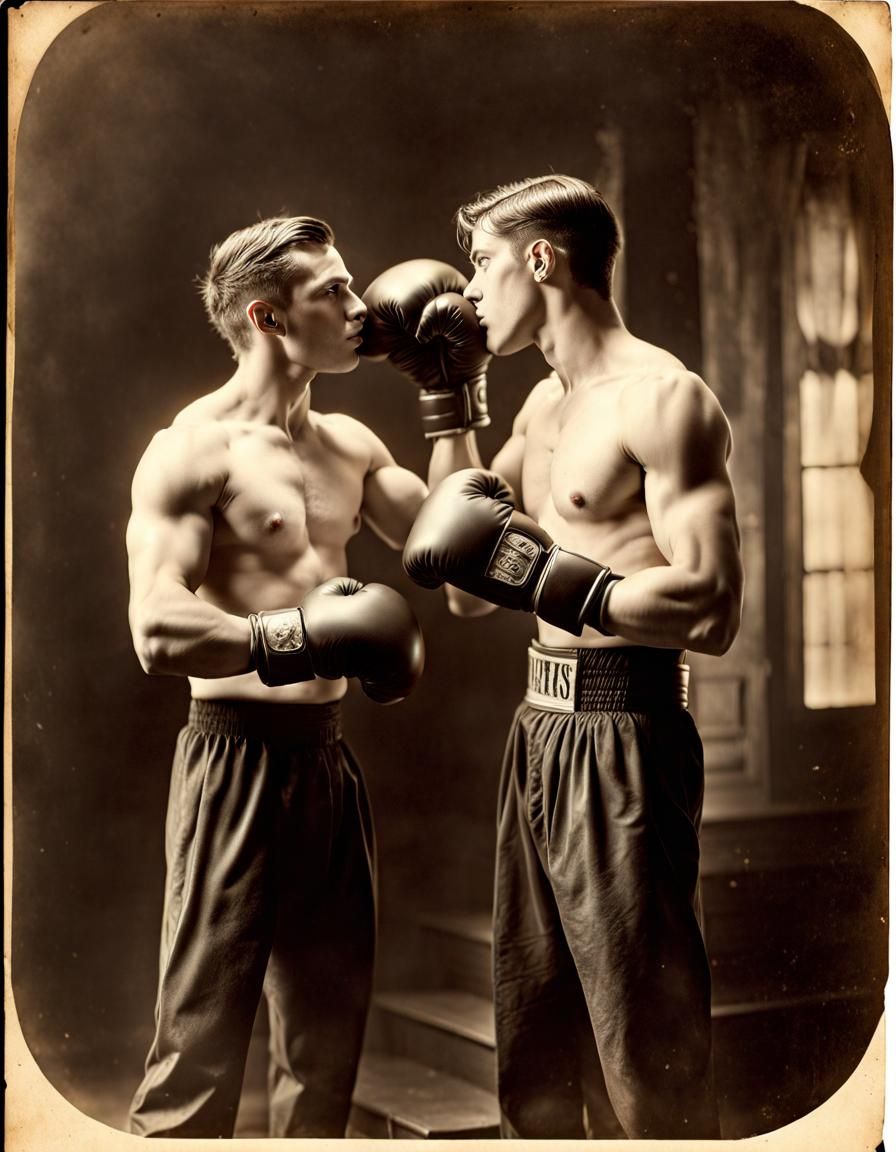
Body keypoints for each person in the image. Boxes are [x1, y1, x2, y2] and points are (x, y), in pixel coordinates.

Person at [360, 174, 744, 1140]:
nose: (469, 292)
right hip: (539, 734)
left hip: (629, 729)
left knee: (640, 1038)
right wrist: (450, 399)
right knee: (537, 1034)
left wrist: (555, 580)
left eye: (486, 263)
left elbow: (712, 605)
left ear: (542, 258)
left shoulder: (662, 399)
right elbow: (461, 582)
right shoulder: (538, 409)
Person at [125, 215, 428, 1139]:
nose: (356, 304)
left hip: (327, 766)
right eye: (330, 292)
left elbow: (466, 557)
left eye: (349, 283)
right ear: (267, 316)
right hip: (232, 763)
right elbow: (156, 628)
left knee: (326, 1048)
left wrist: (453, 396)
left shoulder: (351, 445)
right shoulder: (194, 449)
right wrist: (298, 635)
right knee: (199, 1045)